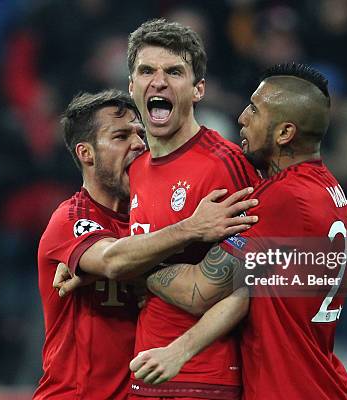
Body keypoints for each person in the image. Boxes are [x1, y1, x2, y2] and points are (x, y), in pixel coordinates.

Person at [132, 63, 347, 399]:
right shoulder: (328, 192)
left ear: (284, 133)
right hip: (319, 381)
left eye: (255, 109)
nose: (242, 118)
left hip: (290, 389)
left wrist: (126, 260)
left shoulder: (284, 199)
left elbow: (199, 291)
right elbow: (249, 291)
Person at [34, 89, 257, 400]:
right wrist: (192, 227)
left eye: (140, 133)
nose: (138, 144)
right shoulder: (70, 220)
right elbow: (114, 260)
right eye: (121, 136)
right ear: (86, 153)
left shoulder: (148, 221)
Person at [125, 19, 261, 399]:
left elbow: (247, 288)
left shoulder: (224, 165)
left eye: (174, 72)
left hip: (204, 376)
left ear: (198, 89)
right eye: (147, 70)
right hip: (145, 372)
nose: (159, 81)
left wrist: (180, 351)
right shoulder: (134, 168)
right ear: (131, 86)